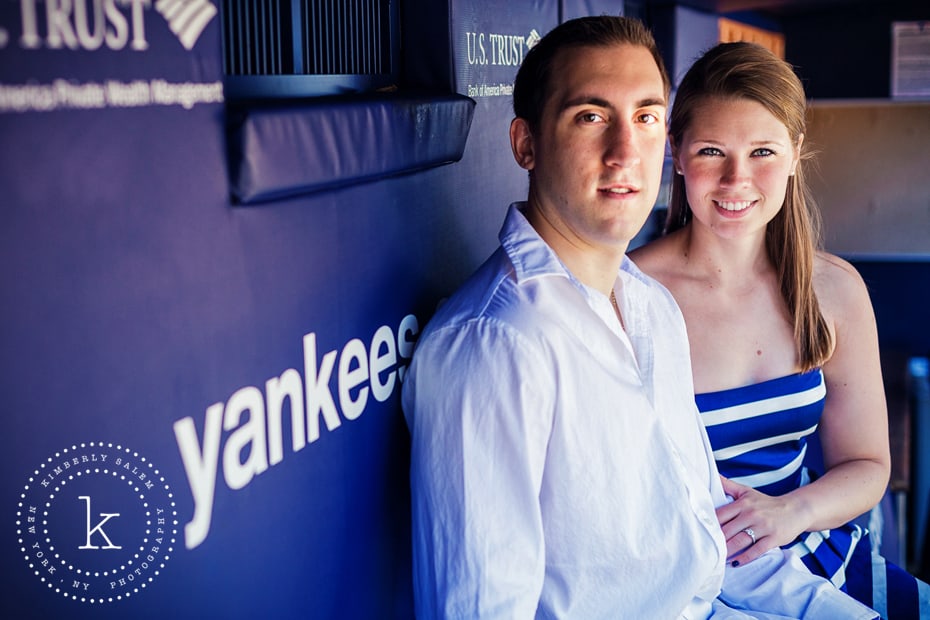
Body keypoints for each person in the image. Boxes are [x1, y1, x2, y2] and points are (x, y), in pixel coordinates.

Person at [402, 15, 878, 619]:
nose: (625, 151)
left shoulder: (648, 305)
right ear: (526, 143)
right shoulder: (497, 341)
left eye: (647, 117)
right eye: (591, 117)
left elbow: (712, 553)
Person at [630, 41, 930, 618]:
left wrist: (790, 512)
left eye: (762, 151)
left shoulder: (834, 289)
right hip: (683, 580)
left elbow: (868, 467)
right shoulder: (630, 294)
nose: (736, 178)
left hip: (817, 551)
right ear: (676, 154)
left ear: (795, 153)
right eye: (713, 150)